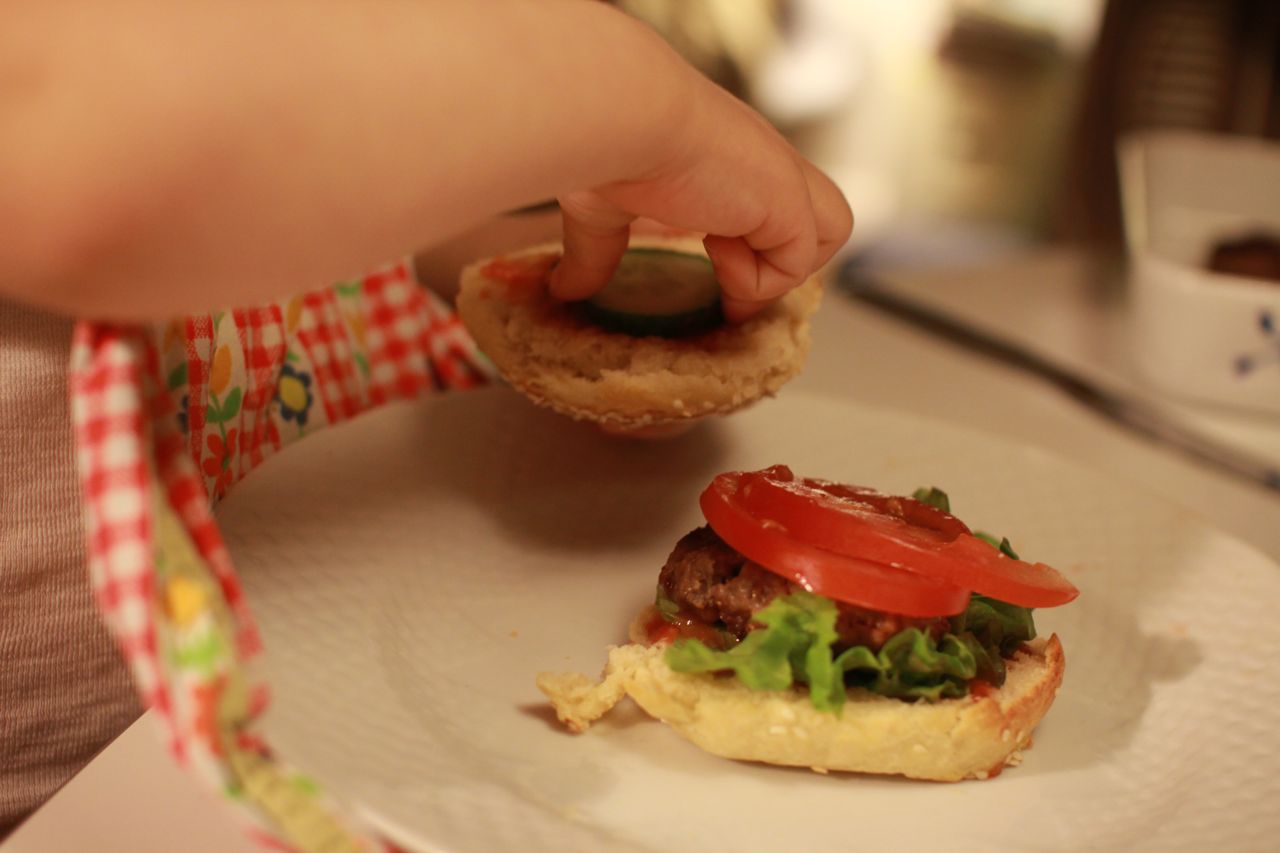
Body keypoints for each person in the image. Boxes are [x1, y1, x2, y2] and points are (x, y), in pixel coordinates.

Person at [0, 0, 852, 834]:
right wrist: (642, 101)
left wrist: (589, 274)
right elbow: (59, 131)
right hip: (90, 783)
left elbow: (329, 170)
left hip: (343, 668)